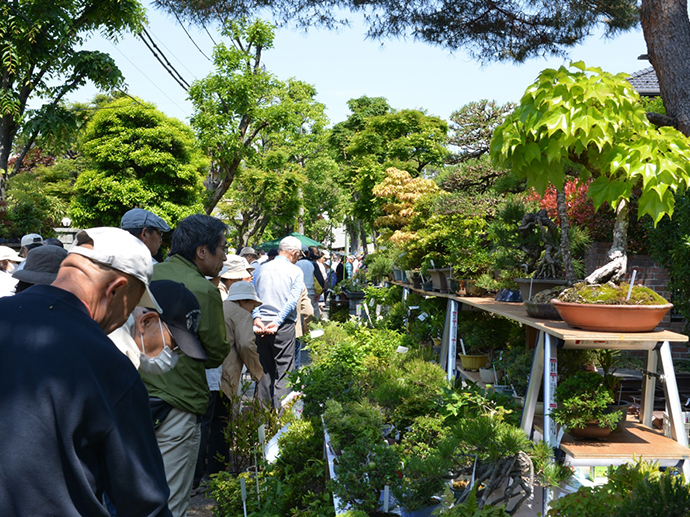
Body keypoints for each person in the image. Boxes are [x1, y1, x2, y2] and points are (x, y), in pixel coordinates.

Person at [0, 227, 170, 516]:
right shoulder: (110, 367)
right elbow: (144, 502)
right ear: (115, 290)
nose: (125, 318)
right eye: (131, 306)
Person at [140, 214, 230, 517]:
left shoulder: (147, 274)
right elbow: (216, 353)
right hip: (180, 401)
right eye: (223, 247)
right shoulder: (204, 290)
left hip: (136, 396)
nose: (226, 256)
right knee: (171, 498)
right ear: (202, 251)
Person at [252, 236, 305, 408]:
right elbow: (291, 302)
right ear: (294, 253)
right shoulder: (295, 271)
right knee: (284, 373)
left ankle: (261, 422)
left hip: (260, 325)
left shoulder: (261, 268)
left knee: (263, 372)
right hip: (282, 327)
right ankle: (282, 423)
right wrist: (277, 321)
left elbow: (252, 296)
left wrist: (257, 318)